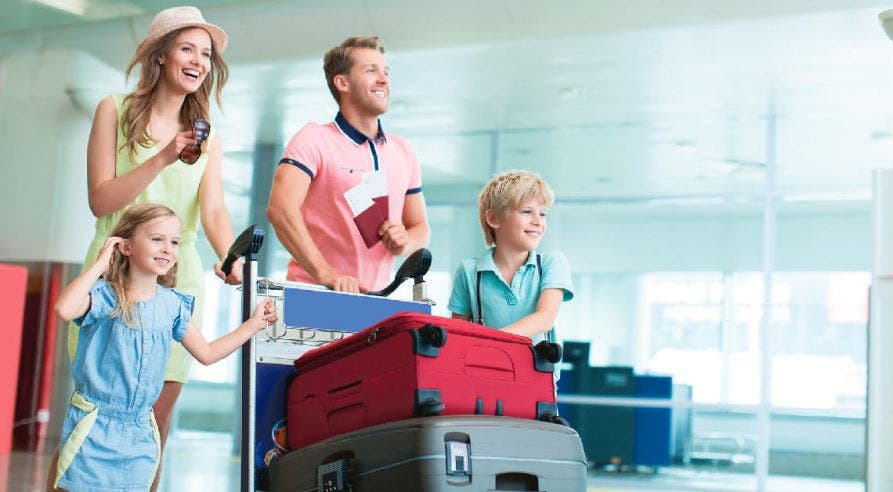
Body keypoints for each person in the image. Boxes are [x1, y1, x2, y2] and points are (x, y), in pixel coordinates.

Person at [58, 6, 240, 490]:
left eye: (206, 53)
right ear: (161, 54)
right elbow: (102, 200)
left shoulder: (209, 137)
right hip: (114, 274)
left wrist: (230, 253)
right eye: (188, 48)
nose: (199, 60)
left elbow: (215, 210)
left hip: (176, 279)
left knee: (153, 428)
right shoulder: (113, 111)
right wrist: (163, 155)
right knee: (96, 418)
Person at [51, 203, 276, 492]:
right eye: (157, 239)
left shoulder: (173, 305)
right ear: (127, 246)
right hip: (93, 429)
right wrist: (99, 264)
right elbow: (64, 309)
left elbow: (206, 353)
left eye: (174, 242)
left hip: (141, 434)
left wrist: (253, 324)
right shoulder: (105, 296)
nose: (167, 248)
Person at [267, 35, 430, 293]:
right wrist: (325, 274)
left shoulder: (403, 151)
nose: (384, 79)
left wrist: (404, 242)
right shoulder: (314, 138)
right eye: (370, 70)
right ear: (342, 82)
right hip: (316, 294)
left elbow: (420, 227)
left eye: (385, 71)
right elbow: (280, 210)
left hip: (377, 301)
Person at [448, 171, 574, 345]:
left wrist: (491, 341)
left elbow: (544, 318)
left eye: (543, 214)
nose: (538, 221)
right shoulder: (469, 271)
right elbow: (457, 333)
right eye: (527, 211)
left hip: (534, 371)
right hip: (486, 369)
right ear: (493, 218)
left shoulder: (551, 263)